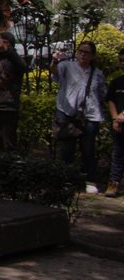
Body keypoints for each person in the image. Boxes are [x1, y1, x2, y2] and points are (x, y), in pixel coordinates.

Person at [51, 40, 108, 191]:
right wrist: (55, 60)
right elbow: (55, 72)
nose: (82, 54)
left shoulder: (97, 73)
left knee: (88, 149)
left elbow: (103, 93)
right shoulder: (67, 66)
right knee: (67, 149)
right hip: (67, 112)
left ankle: (90, 180)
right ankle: (66, 181)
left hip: (90, 115)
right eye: (80, 51)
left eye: (86, 52)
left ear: (93, 56)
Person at [104, 47, 124, 197]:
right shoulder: (117, 82)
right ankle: (114, 183)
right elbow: (111, 100)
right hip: (119, 123)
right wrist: (115, 118)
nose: (122, 63)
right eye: (121, 60)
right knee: (117, 153)